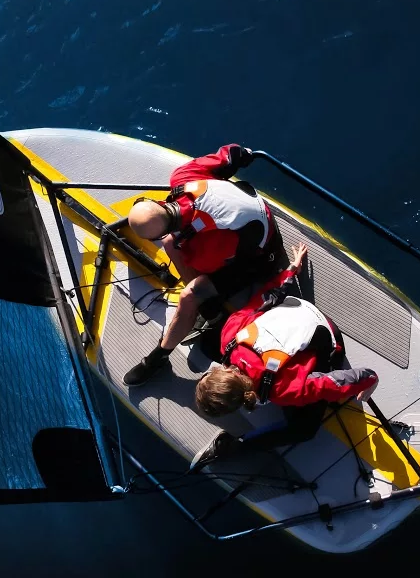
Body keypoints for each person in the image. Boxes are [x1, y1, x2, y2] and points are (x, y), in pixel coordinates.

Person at [189, 242, 379, 468]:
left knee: (304, 430)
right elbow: (263, 300)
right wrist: (291, 270)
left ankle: (239, 445)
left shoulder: (286, 390)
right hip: (294, 307)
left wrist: (370, 379)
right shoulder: (229, 339)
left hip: (326, 332)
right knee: (209, 344)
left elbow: (334, 382)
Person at [124, 143, 285, 386]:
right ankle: (209, 307)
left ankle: (160, 355)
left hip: (262, 255)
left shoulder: (210, 245)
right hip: (250, 209)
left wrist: (197, 282)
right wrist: (241, 155)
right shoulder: (182, 176)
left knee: (191, 294)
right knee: (172, 242)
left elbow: (211, 266)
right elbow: (228, 155)